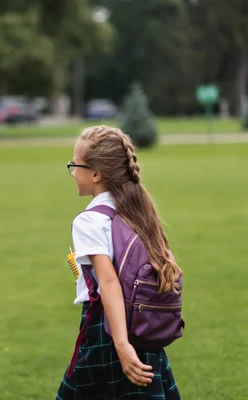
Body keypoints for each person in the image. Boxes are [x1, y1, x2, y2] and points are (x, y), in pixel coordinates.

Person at [57, 125, 181, 399]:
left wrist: (122, 345)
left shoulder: (89, 221)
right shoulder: (136, 209)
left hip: (108, 329)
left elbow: (109, 281)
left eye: (75, 165)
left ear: (96, 174)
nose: (73, 172)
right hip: (140, 326)